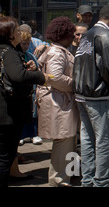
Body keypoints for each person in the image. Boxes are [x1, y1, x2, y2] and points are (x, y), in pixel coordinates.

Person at [73, 5, 109, 187]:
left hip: (82, 94)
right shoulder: (105, 35)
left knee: (88, 140)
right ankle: (102, 180)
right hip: (98, 94)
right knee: (103, 140)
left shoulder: (87, 34)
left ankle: (87, 179)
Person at [0, 16, 48, 187]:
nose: (20, 33)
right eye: (17, 30)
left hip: (6, 112)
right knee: (5, 156)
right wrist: (40, 76)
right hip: (8, 114)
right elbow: (18, 76)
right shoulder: (9, 52)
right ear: (10, 34)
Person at [35, 16, 79, 187]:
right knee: (64, 143)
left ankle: (71, 175)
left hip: (62, 102)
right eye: (72, 34)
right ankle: (59, 181)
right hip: (60, 103)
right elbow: (55, 78)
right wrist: (75, 84)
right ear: (64, 34)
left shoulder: (54, 50)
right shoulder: (56, 53)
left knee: (70, 141)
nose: (74, 37)